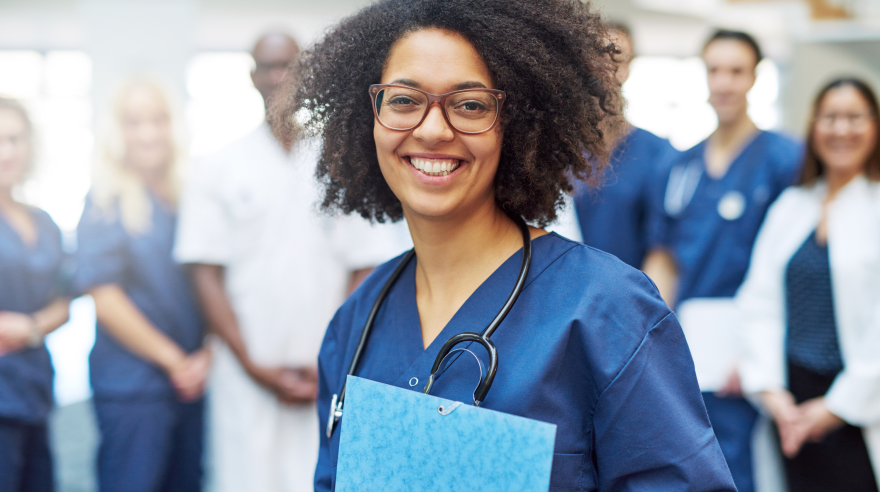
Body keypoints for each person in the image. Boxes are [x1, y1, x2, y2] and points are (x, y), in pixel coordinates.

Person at [270, 1, 737, 490]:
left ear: (516, 127)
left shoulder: (605, 309)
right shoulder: (355, 323)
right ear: (366, 117)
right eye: (403, 100)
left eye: (470, 104)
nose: (431, 129)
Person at [174, 32, 408, 492]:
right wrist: (252, 363)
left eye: (287, 65)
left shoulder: (340, 162)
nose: (277, 76)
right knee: (243, 479)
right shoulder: (217, 165)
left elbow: (365, 264)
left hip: (324, 369)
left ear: (305, 74)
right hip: (244, 373)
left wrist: (329, 354)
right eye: (266, 65)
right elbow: (203, 271)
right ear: (251, 75)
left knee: (317, 478)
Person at [642, 29, 803, 492]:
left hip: (751, 343)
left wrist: (755, 352)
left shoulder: (783, 159)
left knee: (742, 466)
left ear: (755, 78)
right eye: (715, 70)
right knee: (686, 457)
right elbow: (663, 257)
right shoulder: (679, 167)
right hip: (690, 342)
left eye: (737, 71)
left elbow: (793, 266)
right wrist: (656, 340)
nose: (725, 82)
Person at [737, 78, 880, 491]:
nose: (841, 129)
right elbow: (759, 301)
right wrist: (771, 392)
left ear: (875, 126)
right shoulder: (792, 206)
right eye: (830, 117)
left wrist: (837, 408)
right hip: (791, 405)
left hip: (858, 407)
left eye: (855, 117)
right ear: (813, 126)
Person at [72, 78, 209, 492]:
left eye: (158, 120)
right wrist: (176, 362)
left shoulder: (190, 196)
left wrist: (206, 355)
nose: (148, 133)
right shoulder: (104, 200)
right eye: (134, 122)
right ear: (118, 132)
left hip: (191, 382)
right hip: (134, 385)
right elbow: (105, 297)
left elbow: (211, 284)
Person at [0, 97, 70, 492]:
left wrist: (30, 326)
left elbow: (65, 302)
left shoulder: (43, 223)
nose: (7, 151)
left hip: (34, 387)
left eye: (15, 139)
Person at [572, 23, 678, 269]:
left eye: (616, 57)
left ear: (629, 67)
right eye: (596, 55)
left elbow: (661, 250)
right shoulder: (561, 153)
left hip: (631, 293)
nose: (606, 67)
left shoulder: (658, 154)